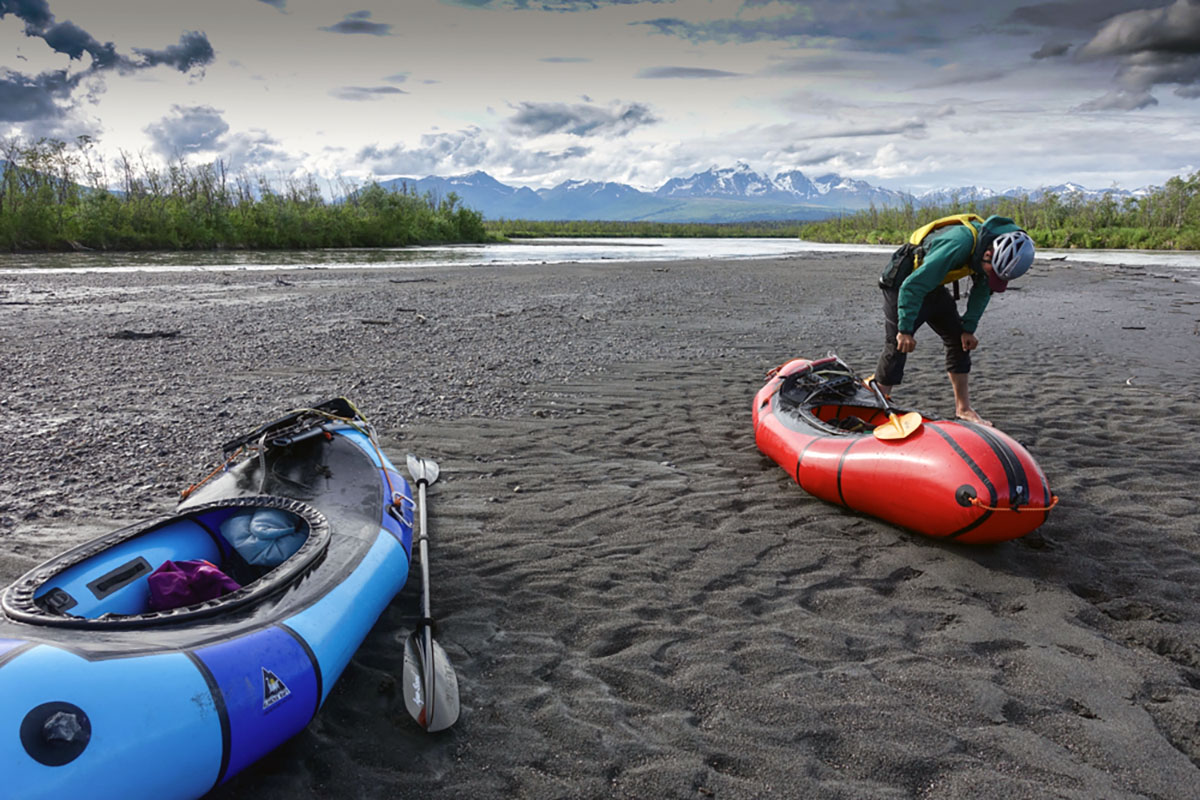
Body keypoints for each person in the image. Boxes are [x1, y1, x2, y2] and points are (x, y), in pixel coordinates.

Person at [872, 214, 1035, 426]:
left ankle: (964, 409)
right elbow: (912, 286)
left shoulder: (996, 252)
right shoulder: (957, 245)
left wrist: (968, 328)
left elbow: (983, 290)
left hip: (933, 284)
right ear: (987, 254)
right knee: (898, 345)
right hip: (903, 283)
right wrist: (905, 330)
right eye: (992, 271)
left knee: (959, 340)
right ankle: (876, 406)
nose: (991, 276)